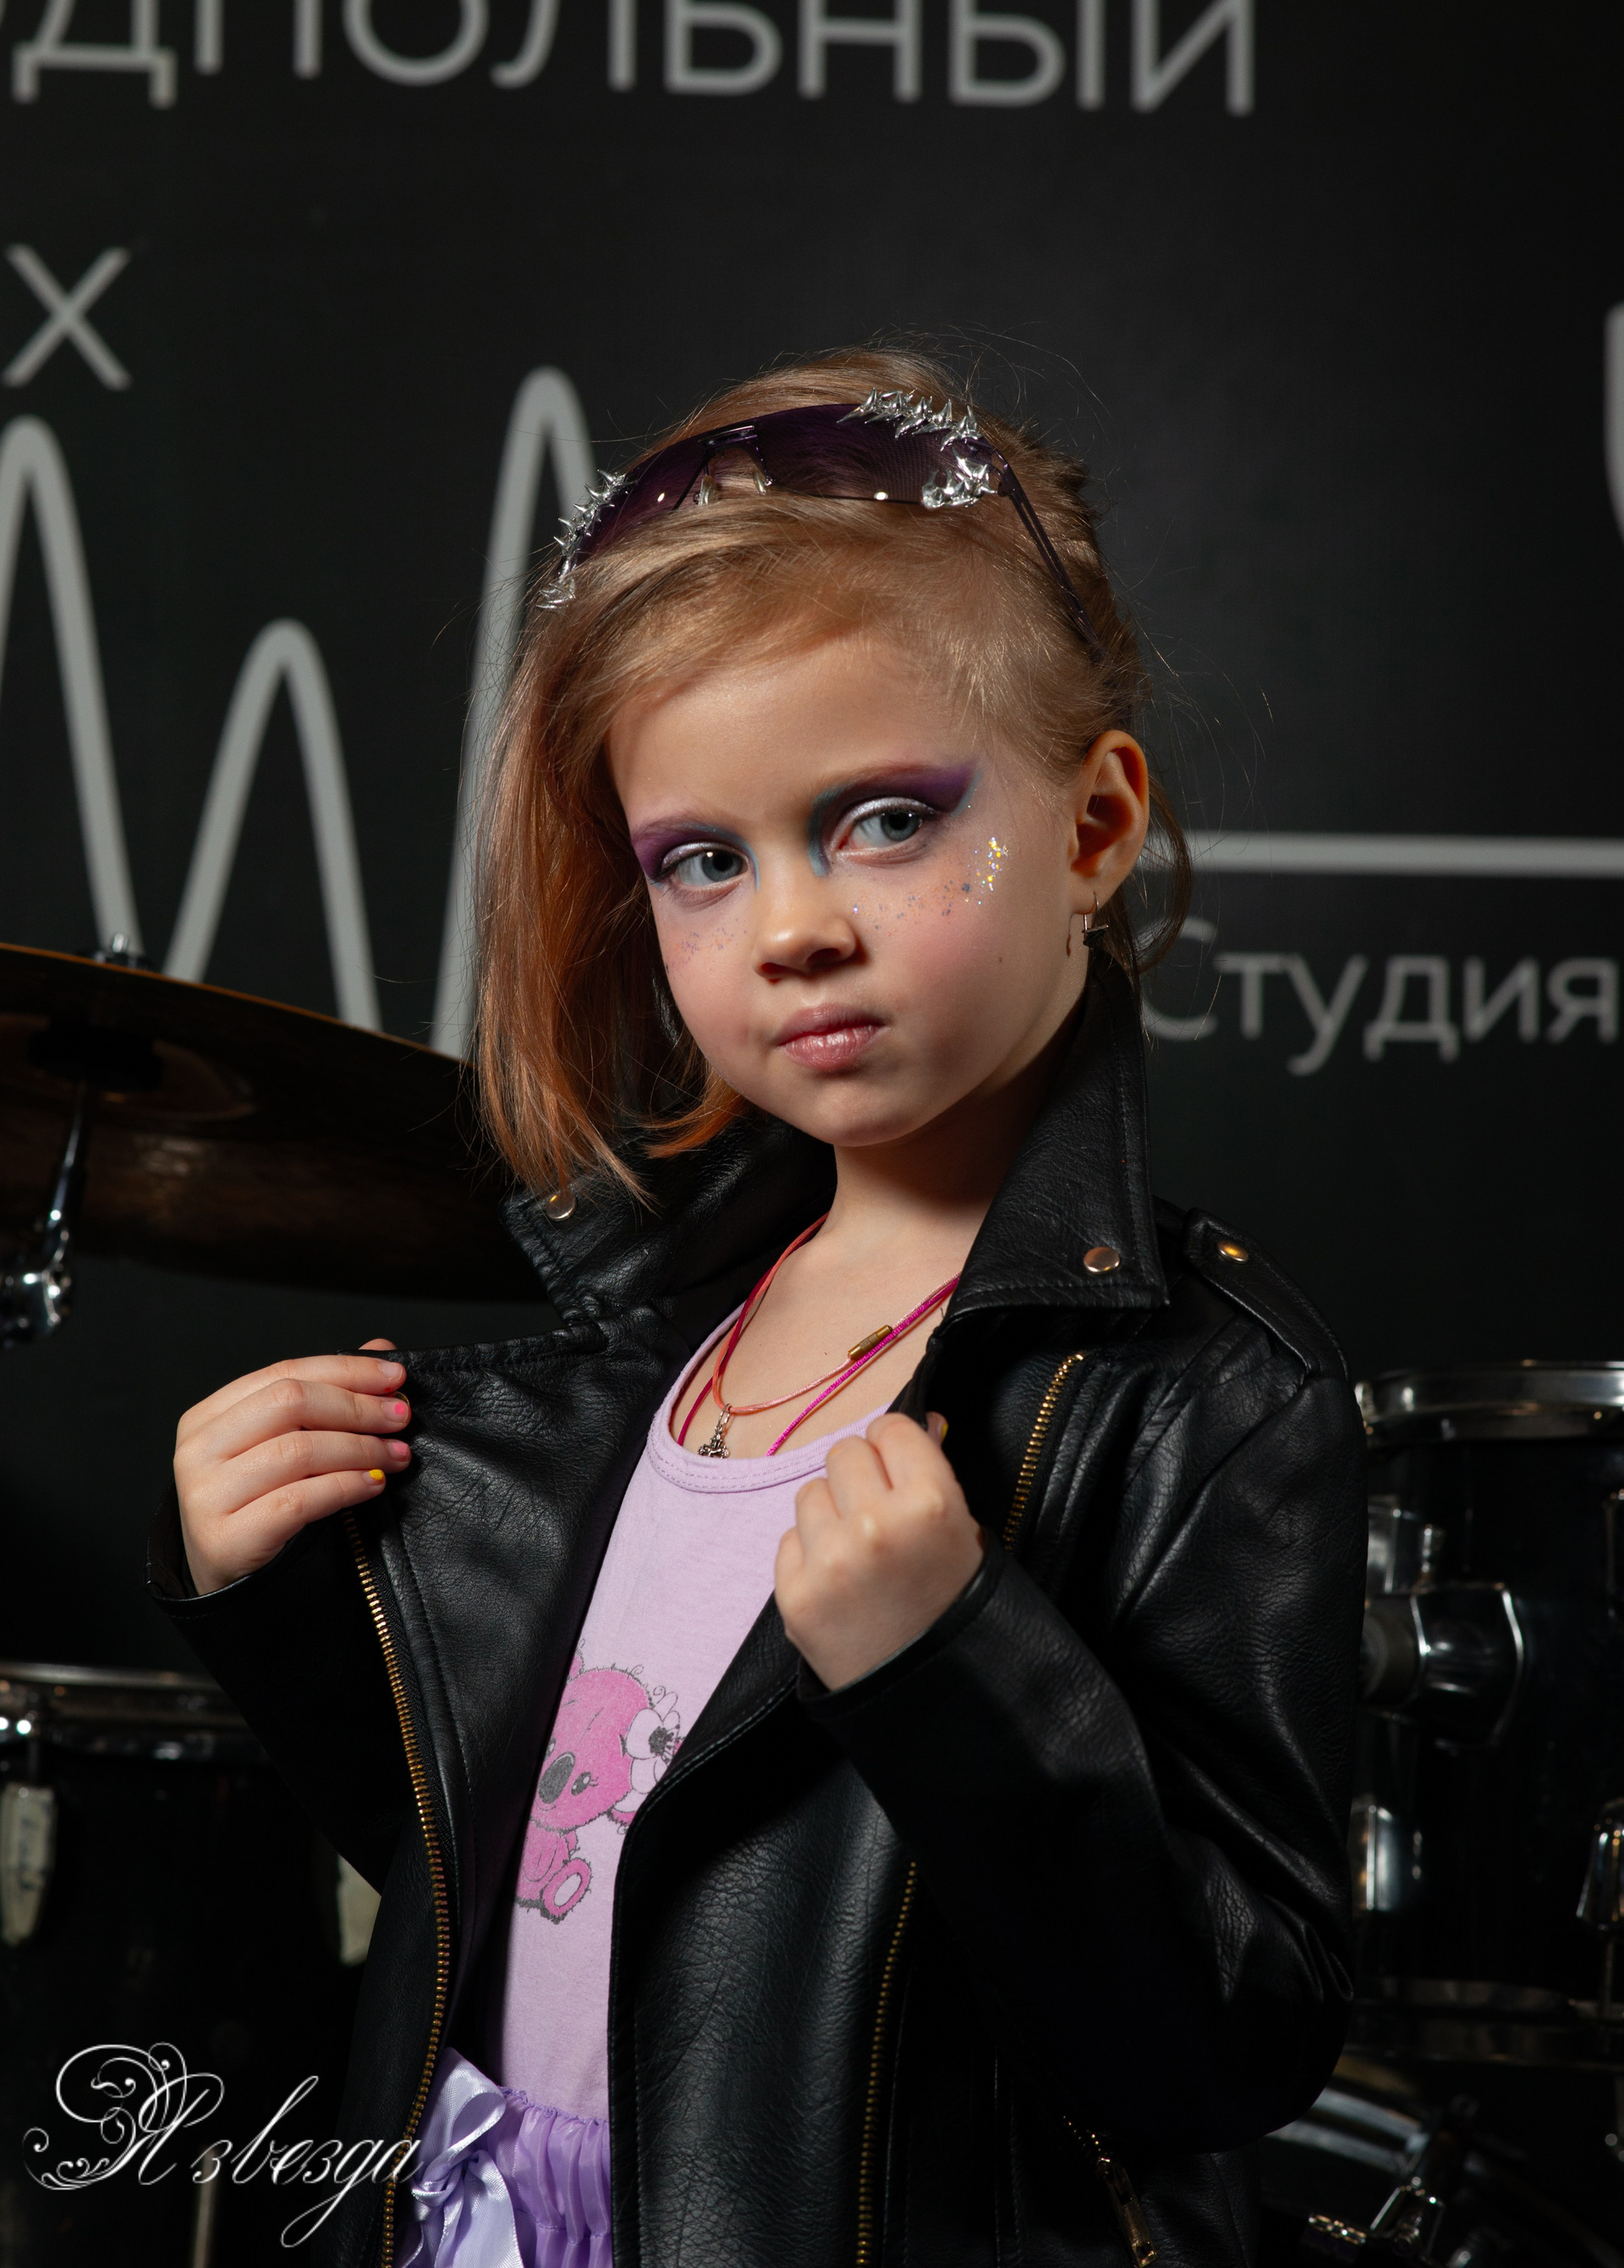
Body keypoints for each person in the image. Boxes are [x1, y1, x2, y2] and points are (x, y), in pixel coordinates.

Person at [153, 348, 1367, 2268]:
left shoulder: (1203, 1398)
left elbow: (1224, 2042)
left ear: (1093, 824)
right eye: (704, 861)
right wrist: (288, 1609)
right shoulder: (639, 1346)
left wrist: (959, 1670)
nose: (790, 926)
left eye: (881, 819)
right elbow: (534, 1869)